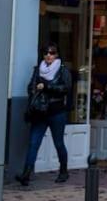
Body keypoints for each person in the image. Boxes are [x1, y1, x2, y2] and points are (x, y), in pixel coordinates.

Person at [16, 44, 73, 185]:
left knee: (58, 143)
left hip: (56, 112)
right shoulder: (38, 70)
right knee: (33, 143)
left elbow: (66, 88)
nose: (49, 55)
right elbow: (30, 86)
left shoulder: (63, 70)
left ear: (56, 55)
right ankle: (26, 174)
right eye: (46, 53)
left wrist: (47, 87)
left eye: (52, 53)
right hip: (40, 112)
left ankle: (64, 171)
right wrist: (34, 90)